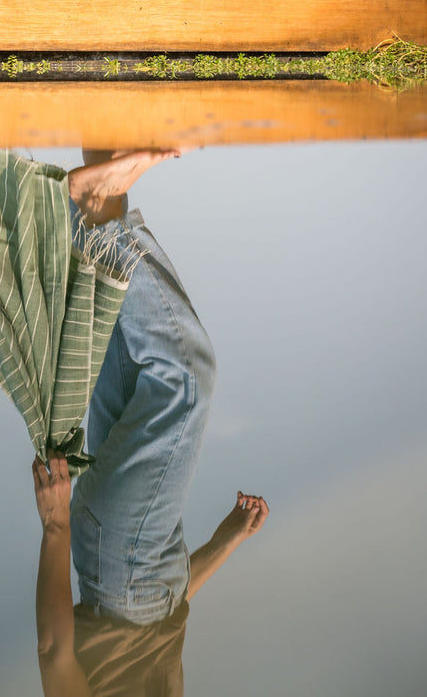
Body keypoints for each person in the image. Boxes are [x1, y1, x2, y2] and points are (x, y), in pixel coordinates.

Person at [32, 150, 269, 695]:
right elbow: (165, 614)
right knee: (123, 338)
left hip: (120, 564)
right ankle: (103, 155)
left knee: (186, 381)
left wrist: (54, 525)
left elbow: (53, 652)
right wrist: (225, 542)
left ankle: (93, 209)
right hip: (131, 561)